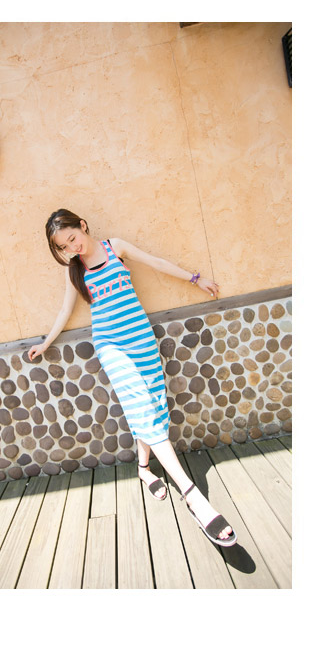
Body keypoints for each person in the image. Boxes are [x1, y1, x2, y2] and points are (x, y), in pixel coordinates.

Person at [30, 211, 256, 558]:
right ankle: (194, 497)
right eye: (64, 247)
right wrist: (46, 343)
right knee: (140, 405)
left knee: (151, 405)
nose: (72, 248)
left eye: (72, 238)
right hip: (111, 345)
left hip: (141, 339)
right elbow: (65, 310)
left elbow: (156, 262)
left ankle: (143, 468)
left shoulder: (115, 247)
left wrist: (195, 278)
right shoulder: (74, 271)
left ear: (83, 226)